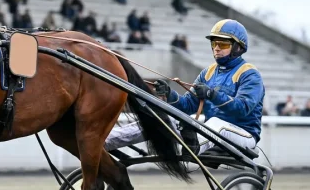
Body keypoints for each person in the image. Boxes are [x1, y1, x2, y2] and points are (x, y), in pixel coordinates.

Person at [105, 19, 265, 157]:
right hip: (211, 133)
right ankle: (105, 140)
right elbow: (187, 106)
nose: (216, 48)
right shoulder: (208, 73)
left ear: (238, 47)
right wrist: (169, 94)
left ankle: (194, 148)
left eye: (222, 44)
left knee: (217, 123)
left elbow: (242, 108)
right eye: (214, 43)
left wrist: (211, 94)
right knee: (164, 119)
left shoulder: (250, 74)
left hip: (244, 135)